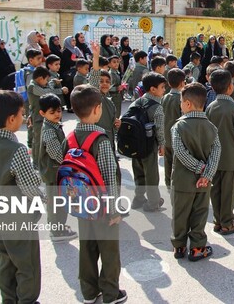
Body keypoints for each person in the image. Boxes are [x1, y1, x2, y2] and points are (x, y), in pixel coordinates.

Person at [0, 90, 43, 304]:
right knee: (27, 266)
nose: (24, 118)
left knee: (5, 263)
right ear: (11, 119)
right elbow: (31, 187)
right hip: (19, 220)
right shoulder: (16, 150)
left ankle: (9, 299)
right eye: (22, 113)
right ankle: (27, 300)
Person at [67, 85, 126, 304]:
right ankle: (111, 293)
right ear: (97, 109)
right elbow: (110, 177)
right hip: (102, 206)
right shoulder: (100, 140)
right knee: (109, 250)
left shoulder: (71, 137)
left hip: (81, 203)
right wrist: (114, 209)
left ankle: (89, 292)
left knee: (88, 247)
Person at [170, 82, 221, 261]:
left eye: (181, 102)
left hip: (183, 181)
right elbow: (216, 152)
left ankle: (179, 246)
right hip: (204, 183)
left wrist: (199, 169)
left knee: (180, 213)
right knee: (200, 213)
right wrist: (206, 174)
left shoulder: (178, 127)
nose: (180, 105)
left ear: (188, 104)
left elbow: (180, 152)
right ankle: (198, 248)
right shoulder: (211, 127)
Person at [206, 69, 234, 234]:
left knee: (215, 189)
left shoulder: (209, 107)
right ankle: (228, 222)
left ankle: (218, 220)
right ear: (230, 87)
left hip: (213, 157)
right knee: (229, 191)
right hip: (231, 156)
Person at [37, 93, 78, 242]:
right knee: (57, 203)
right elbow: (55, 153)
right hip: (54, 172)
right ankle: (56, 231)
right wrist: (69, 165)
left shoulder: (53, 125)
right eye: (52, 112)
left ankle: (58, 227)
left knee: (59, 201)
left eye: (59, 111)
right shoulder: (49, 130)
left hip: (55, 172)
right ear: (42, 113)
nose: (57, 115)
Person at [129, 72, 166, 212]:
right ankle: (153, 202)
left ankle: (138, 198)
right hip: (149, 146)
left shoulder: (137, 101)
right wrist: (162, 145)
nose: (164, 90)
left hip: (134, 144)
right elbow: (160, 131)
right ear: (153, 89)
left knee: (138, 172)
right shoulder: (157, 108)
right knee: (151, 175)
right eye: (162, 87)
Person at [27, 66, 68, 165]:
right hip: (37, 118)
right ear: (40, 79)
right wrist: (60, 90)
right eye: (46, 80)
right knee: (37, 141)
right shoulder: (32, 86)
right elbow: (47, 92)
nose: (47, 82)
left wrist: (52, 82)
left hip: (44, 116)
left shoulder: (39, 84)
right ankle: (37, 163)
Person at [89, 44, 122, 153]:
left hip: (109, 142)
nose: (104, 84)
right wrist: (96, 56)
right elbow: (94, 77)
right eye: (101, 81)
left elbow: (113, 125)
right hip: (97, 141)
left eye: (107, 82)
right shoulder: (95, 97)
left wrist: (117, 124)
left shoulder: (109, 102)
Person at [162, 68, 185, 190]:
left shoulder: (164, 97)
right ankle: (176, 186)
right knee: (177, 164)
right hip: (177, 137)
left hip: (165, 136)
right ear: (182, 83)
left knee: (168, 162)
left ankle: (168, 184)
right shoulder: (181, 100)